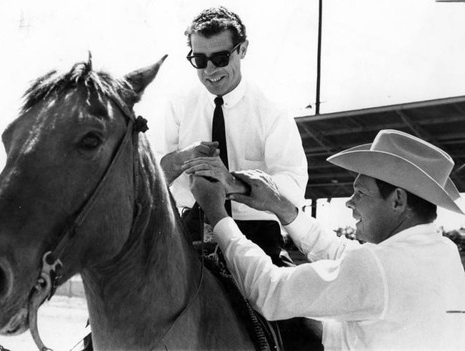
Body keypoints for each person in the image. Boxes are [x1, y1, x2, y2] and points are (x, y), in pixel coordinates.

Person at [190, 129, 465, 350]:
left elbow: (270, 292)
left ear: (398, 200)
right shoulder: (445, 253)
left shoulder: (377, 266)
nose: (350, 203)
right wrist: (281, 207)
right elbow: (345, 255)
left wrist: (217, 214)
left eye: (361, 193)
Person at [159, 6, 308, 267]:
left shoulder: (272, 111)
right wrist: (185, 157)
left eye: (220, 58)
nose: (209, 70)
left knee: (286, 307)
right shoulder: (177, 105)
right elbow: (152, 175)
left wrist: (232, 182)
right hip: (191, 229)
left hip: (257, 232)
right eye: (200, 60)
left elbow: (293, 188)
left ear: (242, 50)